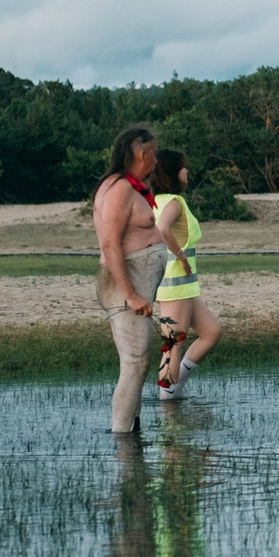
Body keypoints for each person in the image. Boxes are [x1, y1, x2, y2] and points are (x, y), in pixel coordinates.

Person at [95, 127, 170, 435]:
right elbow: (109, 243)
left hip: (136, 285)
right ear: (141, 154)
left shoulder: (128, 187)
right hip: (125, 287)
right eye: (154, 153)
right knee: (135, 362)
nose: (156, 159)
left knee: (138, 362)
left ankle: (131, 432)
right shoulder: (119, 189)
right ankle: (123, 438)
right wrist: (130, 294)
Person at [150, 149, 225, 399]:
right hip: (176, 285)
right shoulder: (173, 202)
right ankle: (167, 403)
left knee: (212, 331)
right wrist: (181, 257)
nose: (187, 171)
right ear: (172, 173)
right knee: (173, 345)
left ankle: (175, 389)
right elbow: (162, 229)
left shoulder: (157, 201)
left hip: (183, 285)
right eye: (182, 167)